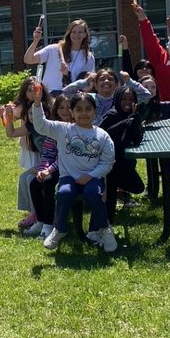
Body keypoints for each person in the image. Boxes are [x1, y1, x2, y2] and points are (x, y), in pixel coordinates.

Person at [30, 91, 118, 253]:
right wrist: (37, 104)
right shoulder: (63, 129)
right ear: (72, 112)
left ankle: (105, 229)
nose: (83, 113)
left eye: (88, 109)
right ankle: (59, 229)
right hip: (68, 178)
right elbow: (41, 125)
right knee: (64, 193)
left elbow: (107, 162)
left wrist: (90, 176)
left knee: (94, 194)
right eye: (78, 109)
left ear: (94, 111)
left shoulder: (102, 136)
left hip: (93, 178)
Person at [1, 76, 50, 232]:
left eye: (35, 90)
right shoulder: (30, 125)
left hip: (53, 162)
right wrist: (8, 118)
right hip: (42, 158)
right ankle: (34, 212)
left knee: (31, 179)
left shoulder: (50, 123)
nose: (32, 93)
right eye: (29, 90)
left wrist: (46, 167)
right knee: (25, 178)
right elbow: (11, 133)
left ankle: (40, 214)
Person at [99, 88, 146, 226]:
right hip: (109, 162)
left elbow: (137, 139)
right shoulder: (112, 115)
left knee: (138, 187)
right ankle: (108, 222)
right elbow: (102, 133)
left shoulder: (132, 116)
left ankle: (118, 186)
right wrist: (123, 124)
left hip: (122, 162)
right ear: (118, 100)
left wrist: (135, 119)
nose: (127, 102)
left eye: (131, 100)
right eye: (124, 99)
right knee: (111, 191)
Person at [26, 95, 70, 239]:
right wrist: (42, 169)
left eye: (69, 107)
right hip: (53, 167)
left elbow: (64, 156)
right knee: (34, 183)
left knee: (49, 182)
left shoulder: (74, 128)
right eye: (61, 107)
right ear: (56, 110)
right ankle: (40, 220)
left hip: (68, 167)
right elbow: (48, 153)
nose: (65, 111)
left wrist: (48, 171)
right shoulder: (53, 127)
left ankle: (49, 224)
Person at [24, 19, 96, 95]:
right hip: (49, 96)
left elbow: (89, 82)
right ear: (69, 33)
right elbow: (28, 60)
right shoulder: (53, 49)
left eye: (80, 32)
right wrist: (35, 41)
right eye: (73, 32)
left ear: (85, 34)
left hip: (71, 97)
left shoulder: (88, 57)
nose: (76, 35)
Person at [63, 68, 151, 127]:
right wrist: (86, 81)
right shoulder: (89, 98)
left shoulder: (122, 99)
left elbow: (146, 95)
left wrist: (129, 81)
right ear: (96, 85)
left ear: (116, 85)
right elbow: (67, 92)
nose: (106, 81)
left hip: (115, 137)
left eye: (110, 79)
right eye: (101, 79)